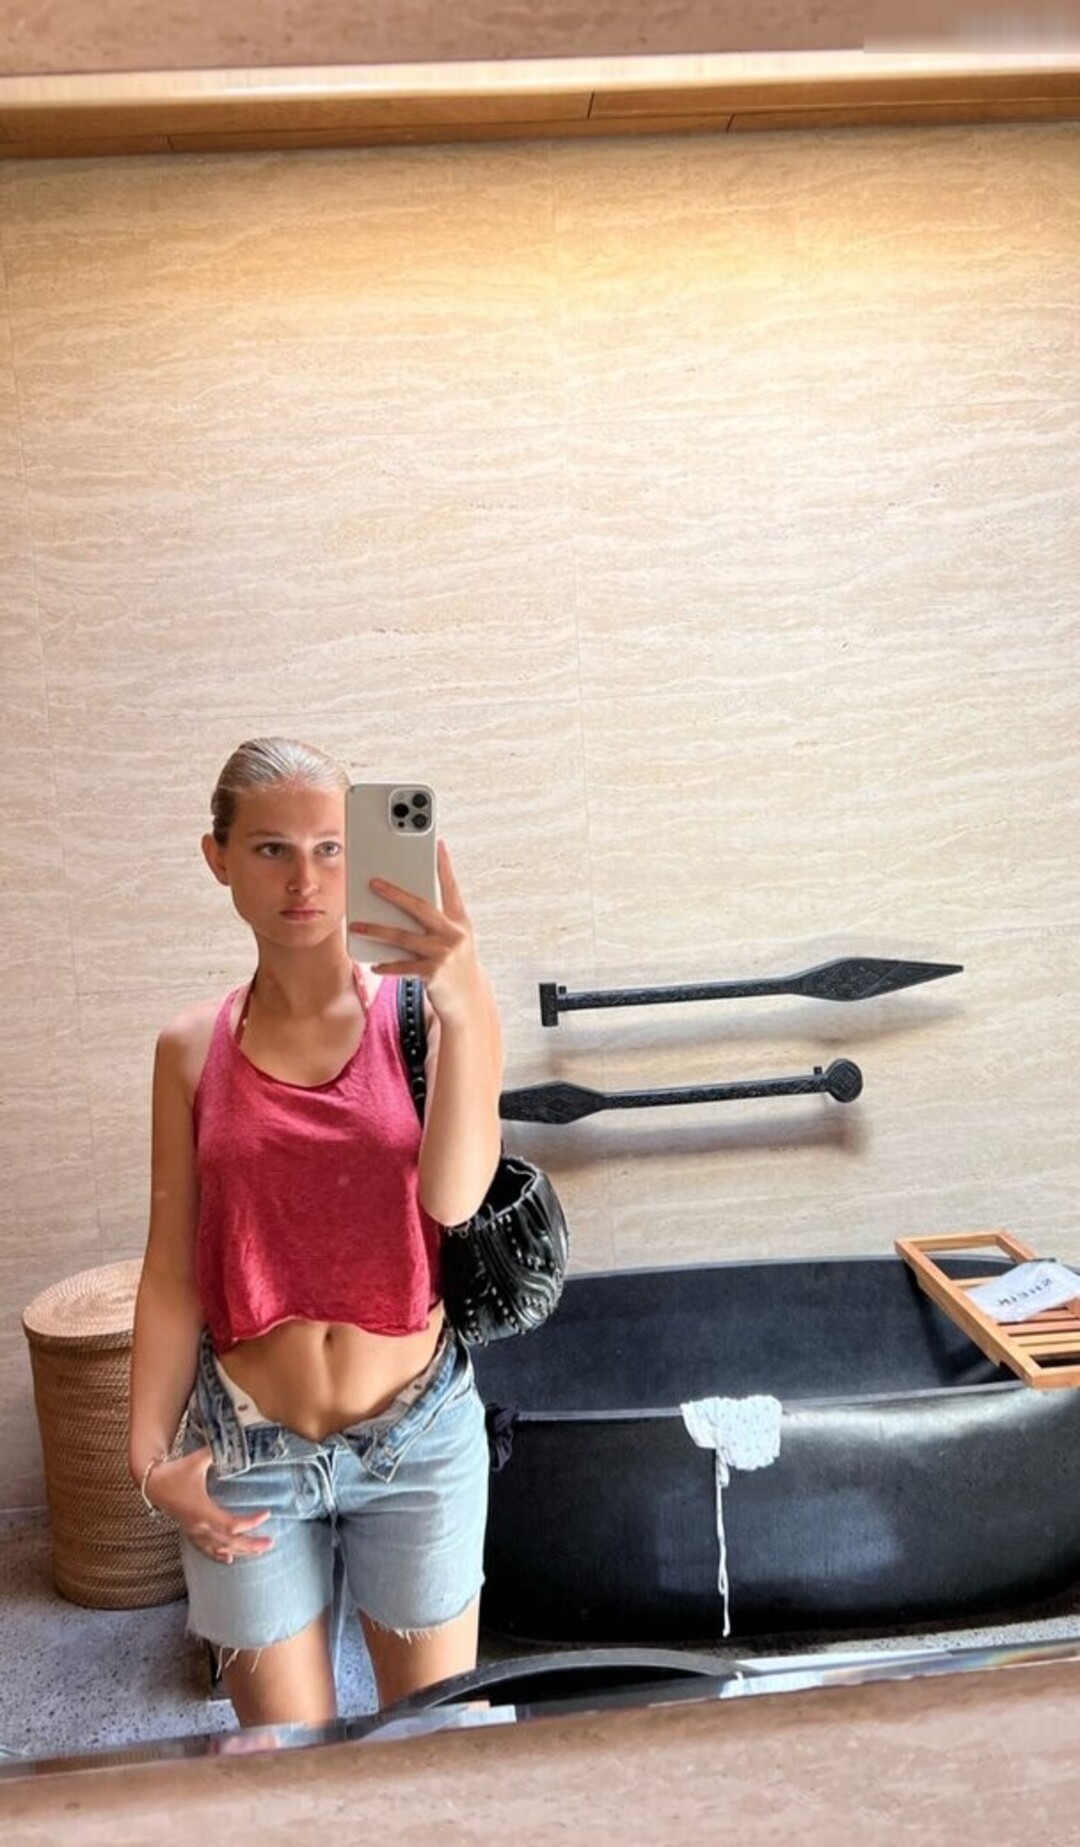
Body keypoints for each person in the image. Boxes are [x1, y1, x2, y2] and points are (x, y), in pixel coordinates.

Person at [127, 738, 503, 1728]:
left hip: (415, 1438)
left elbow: (455, 1198)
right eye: (271, 849)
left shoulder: (434, 1011)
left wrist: (466, 1012)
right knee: (286, 1769)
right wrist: (147, 1462)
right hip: (247, 1447)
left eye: (332, 847)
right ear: (218, 858)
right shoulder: (188, 1049)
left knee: (430, 1747)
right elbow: (172, 1270)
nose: (305, 878)